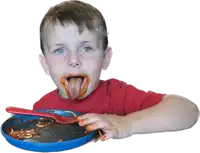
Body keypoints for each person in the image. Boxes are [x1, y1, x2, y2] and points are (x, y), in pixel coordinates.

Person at [35, 0, 199, 141]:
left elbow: (187, 110)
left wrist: (127, 123)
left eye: (86, 48)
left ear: (106, 58)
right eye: (59, 50)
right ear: (45, 64)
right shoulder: (41, 109)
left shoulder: (118, 95)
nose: (73, 61)